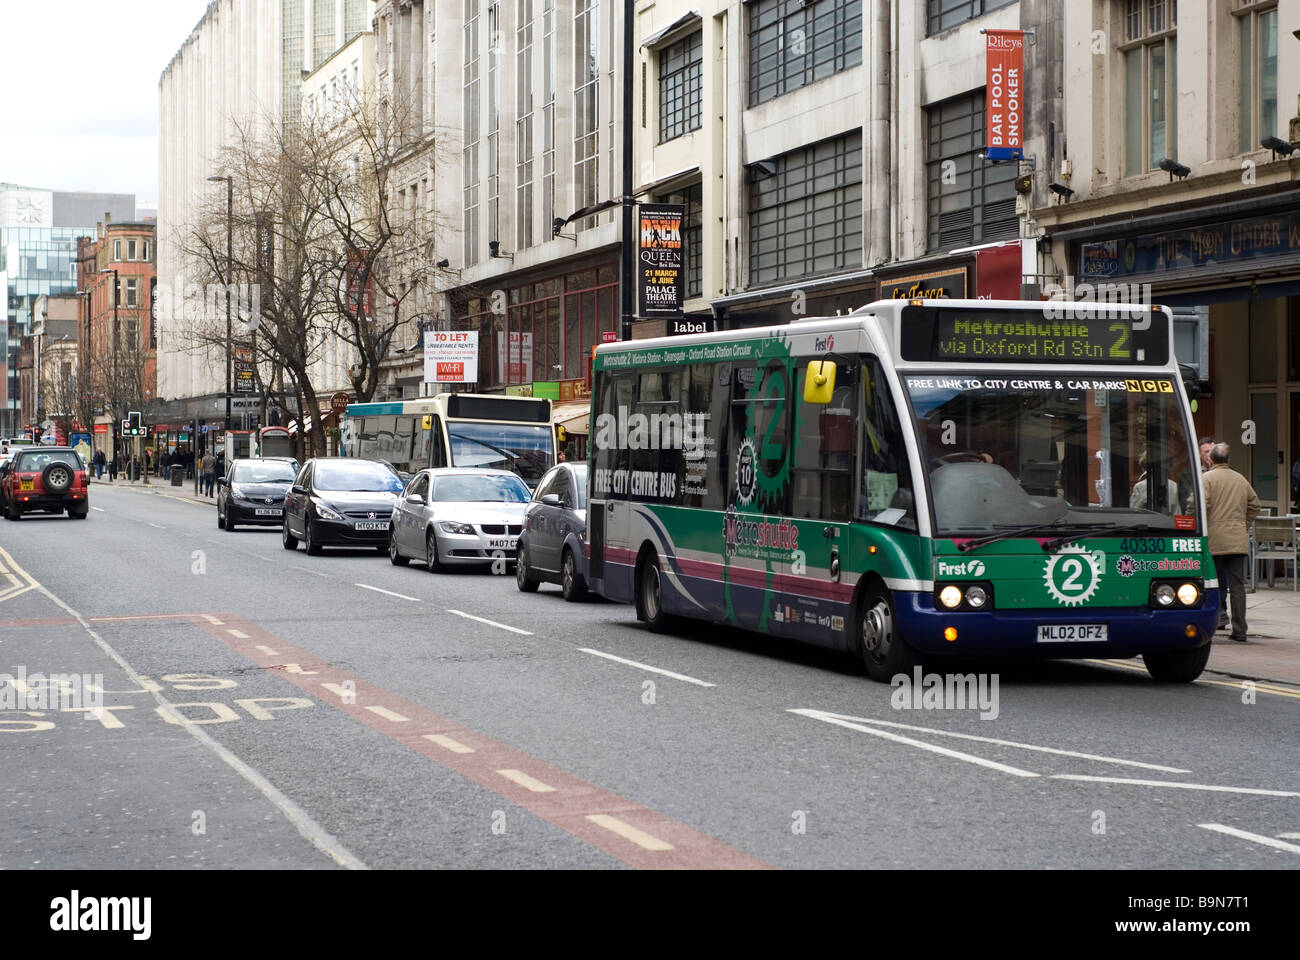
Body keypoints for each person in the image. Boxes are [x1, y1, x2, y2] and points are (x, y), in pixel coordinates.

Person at [1202, 443, 1260, 642]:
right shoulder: (1240, 479)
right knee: (1237, 586)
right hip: (1236, 539)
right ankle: (1240, 629)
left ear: (1210, 460)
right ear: (1229, 460)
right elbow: (1255, 504)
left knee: (1213, 583)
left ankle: (1213, 623)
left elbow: (1198, 505)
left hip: (1214, 539)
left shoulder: (1206, 479)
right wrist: (1243, 525)